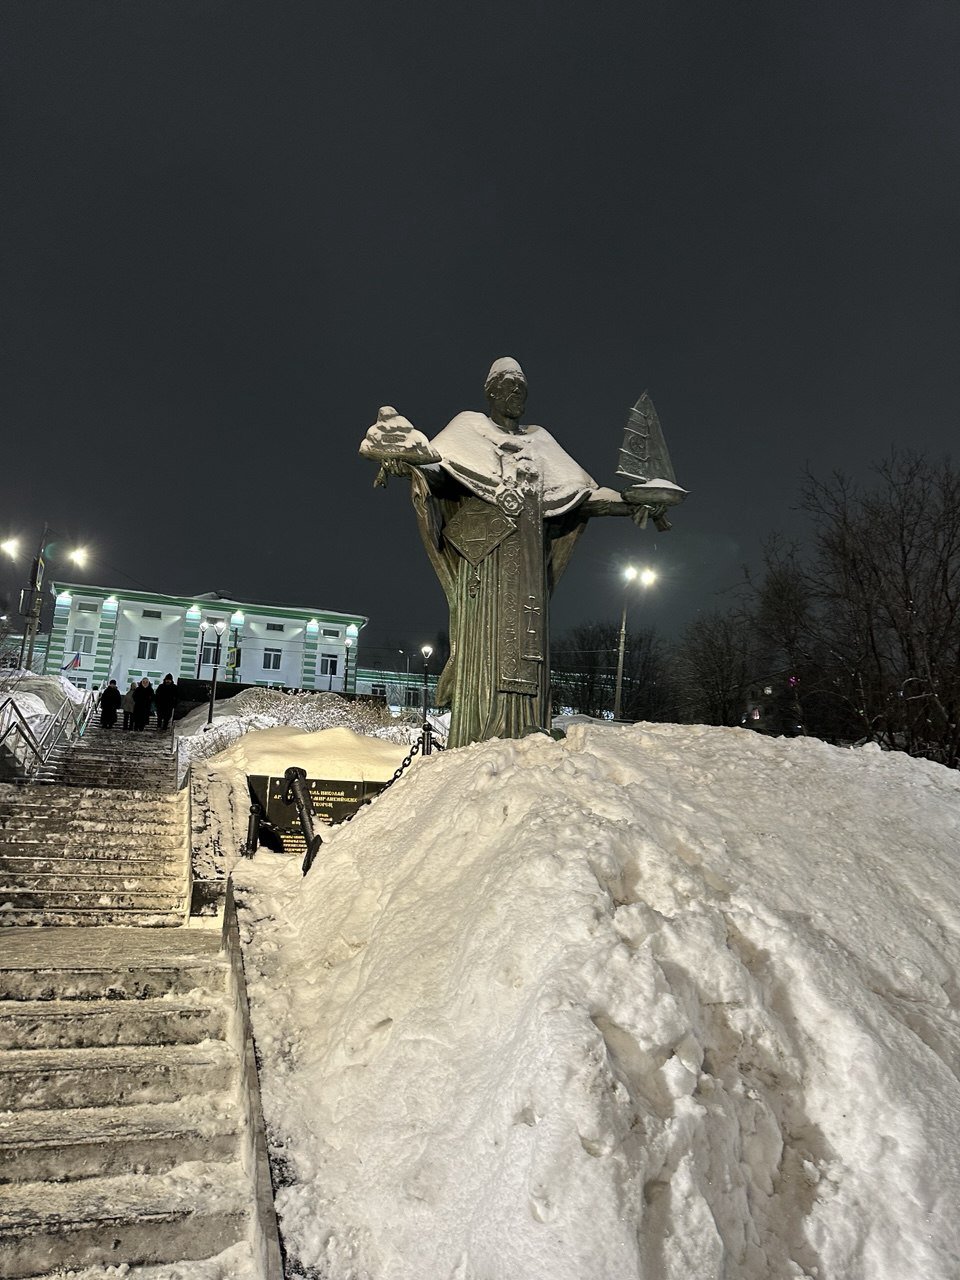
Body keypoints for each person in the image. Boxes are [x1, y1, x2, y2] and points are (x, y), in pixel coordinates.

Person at [361, 357, 684, 748]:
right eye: (508, 387)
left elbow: (581, 498)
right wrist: (406, 464)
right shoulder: (468, 429)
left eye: (522, 389)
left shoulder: (540, 442)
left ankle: (528, 727)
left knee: (528, 645)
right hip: (485, 566)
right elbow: (436, 471)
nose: (516, 394)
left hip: (529, 570)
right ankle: (479, 729)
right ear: (491, 392)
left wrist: (630, 503)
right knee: (486, 646)